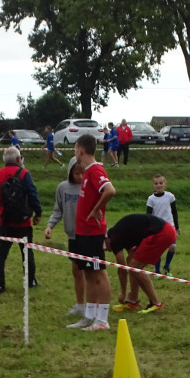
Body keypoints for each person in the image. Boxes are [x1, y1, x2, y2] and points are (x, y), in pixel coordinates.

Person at [67, 133, 116, 330]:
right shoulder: (86, 171)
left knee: (99, 274)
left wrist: (96, 209)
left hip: (93, 232)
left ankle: (102, 319)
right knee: (87, 272)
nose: (75, 152)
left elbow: (110, 190)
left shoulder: (96, 170)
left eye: (75, 149)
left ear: (81, 149)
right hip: (82, 232)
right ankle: (89, 315)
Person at [0, 146, 42, 293]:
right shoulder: (24, 174)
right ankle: (30, 281)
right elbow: (33, 194)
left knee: (0, 255)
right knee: (27, 253)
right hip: (23, 222)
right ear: (18, 159)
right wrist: (38, 213)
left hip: (4, 222)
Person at [107, 213, 176, 313]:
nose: (108, 251)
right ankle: (133, 301)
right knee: (131, 262)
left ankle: (156, 303)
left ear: (106, 239)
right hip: (165, 230)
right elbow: (131, 255)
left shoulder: (114, 239)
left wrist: (123, 293)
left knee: (135, 267)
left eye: (105, 248)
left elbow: (121, 268)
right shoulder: (121, 234)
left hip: (162, 232)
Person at [44, 157, 86, 318]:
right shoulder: (63, 188)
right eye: (77, 173)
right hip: (73, 236)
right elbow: (58, 210)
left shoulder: (87, 187)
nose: (80, 176)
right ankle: (80, 304)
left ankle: (92, 306)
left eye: (83, 173)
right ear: (70, 172)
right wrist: (49, 226)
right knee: (76, 270)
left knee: (90, 272)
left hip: (88, 235)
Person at [146, 173, 179, 275]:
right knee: (158, 249)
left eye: (161, 183)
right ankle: (157, 271)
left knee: (172, 247)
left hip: (170, 225)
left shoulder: (170, 196)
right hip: (157, 227)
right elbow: (148, 215)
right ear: (153, 185)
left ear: (165, 184)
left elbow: (174, 212)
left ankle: (167, 267)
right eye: (156, 183)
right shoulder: (151, 199)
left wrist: (177, 227)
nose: (158, 185)